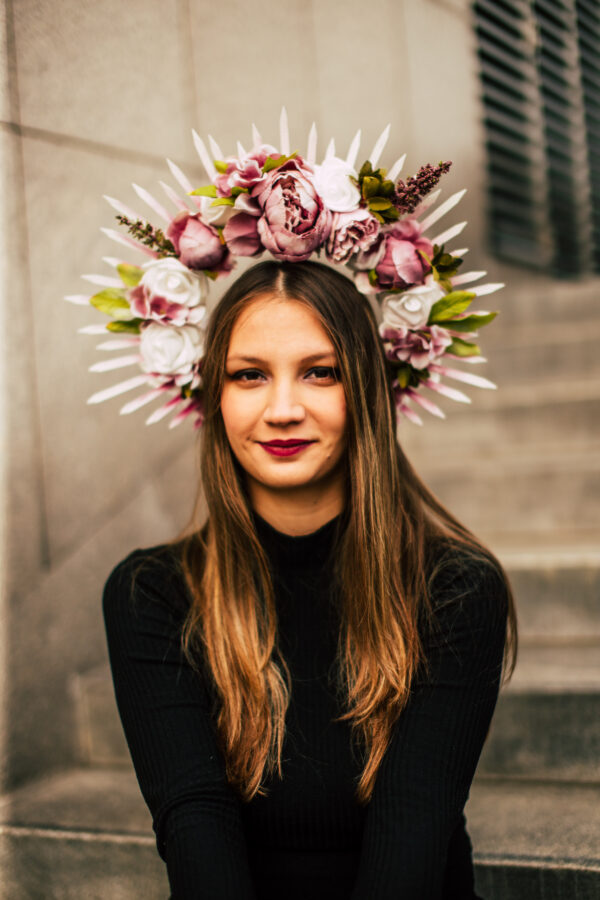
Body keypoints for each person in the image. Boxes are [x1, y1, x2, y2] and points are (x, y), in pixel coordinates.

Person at [102, 258, 518, 900]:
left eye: (320, 372)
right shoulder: (151, 592)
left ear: (367, 392)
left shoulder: (455, 588)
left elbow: (413, 831)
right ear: (215, 396)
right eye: (249, 376)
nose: (284, 409)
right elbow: (194, 823)